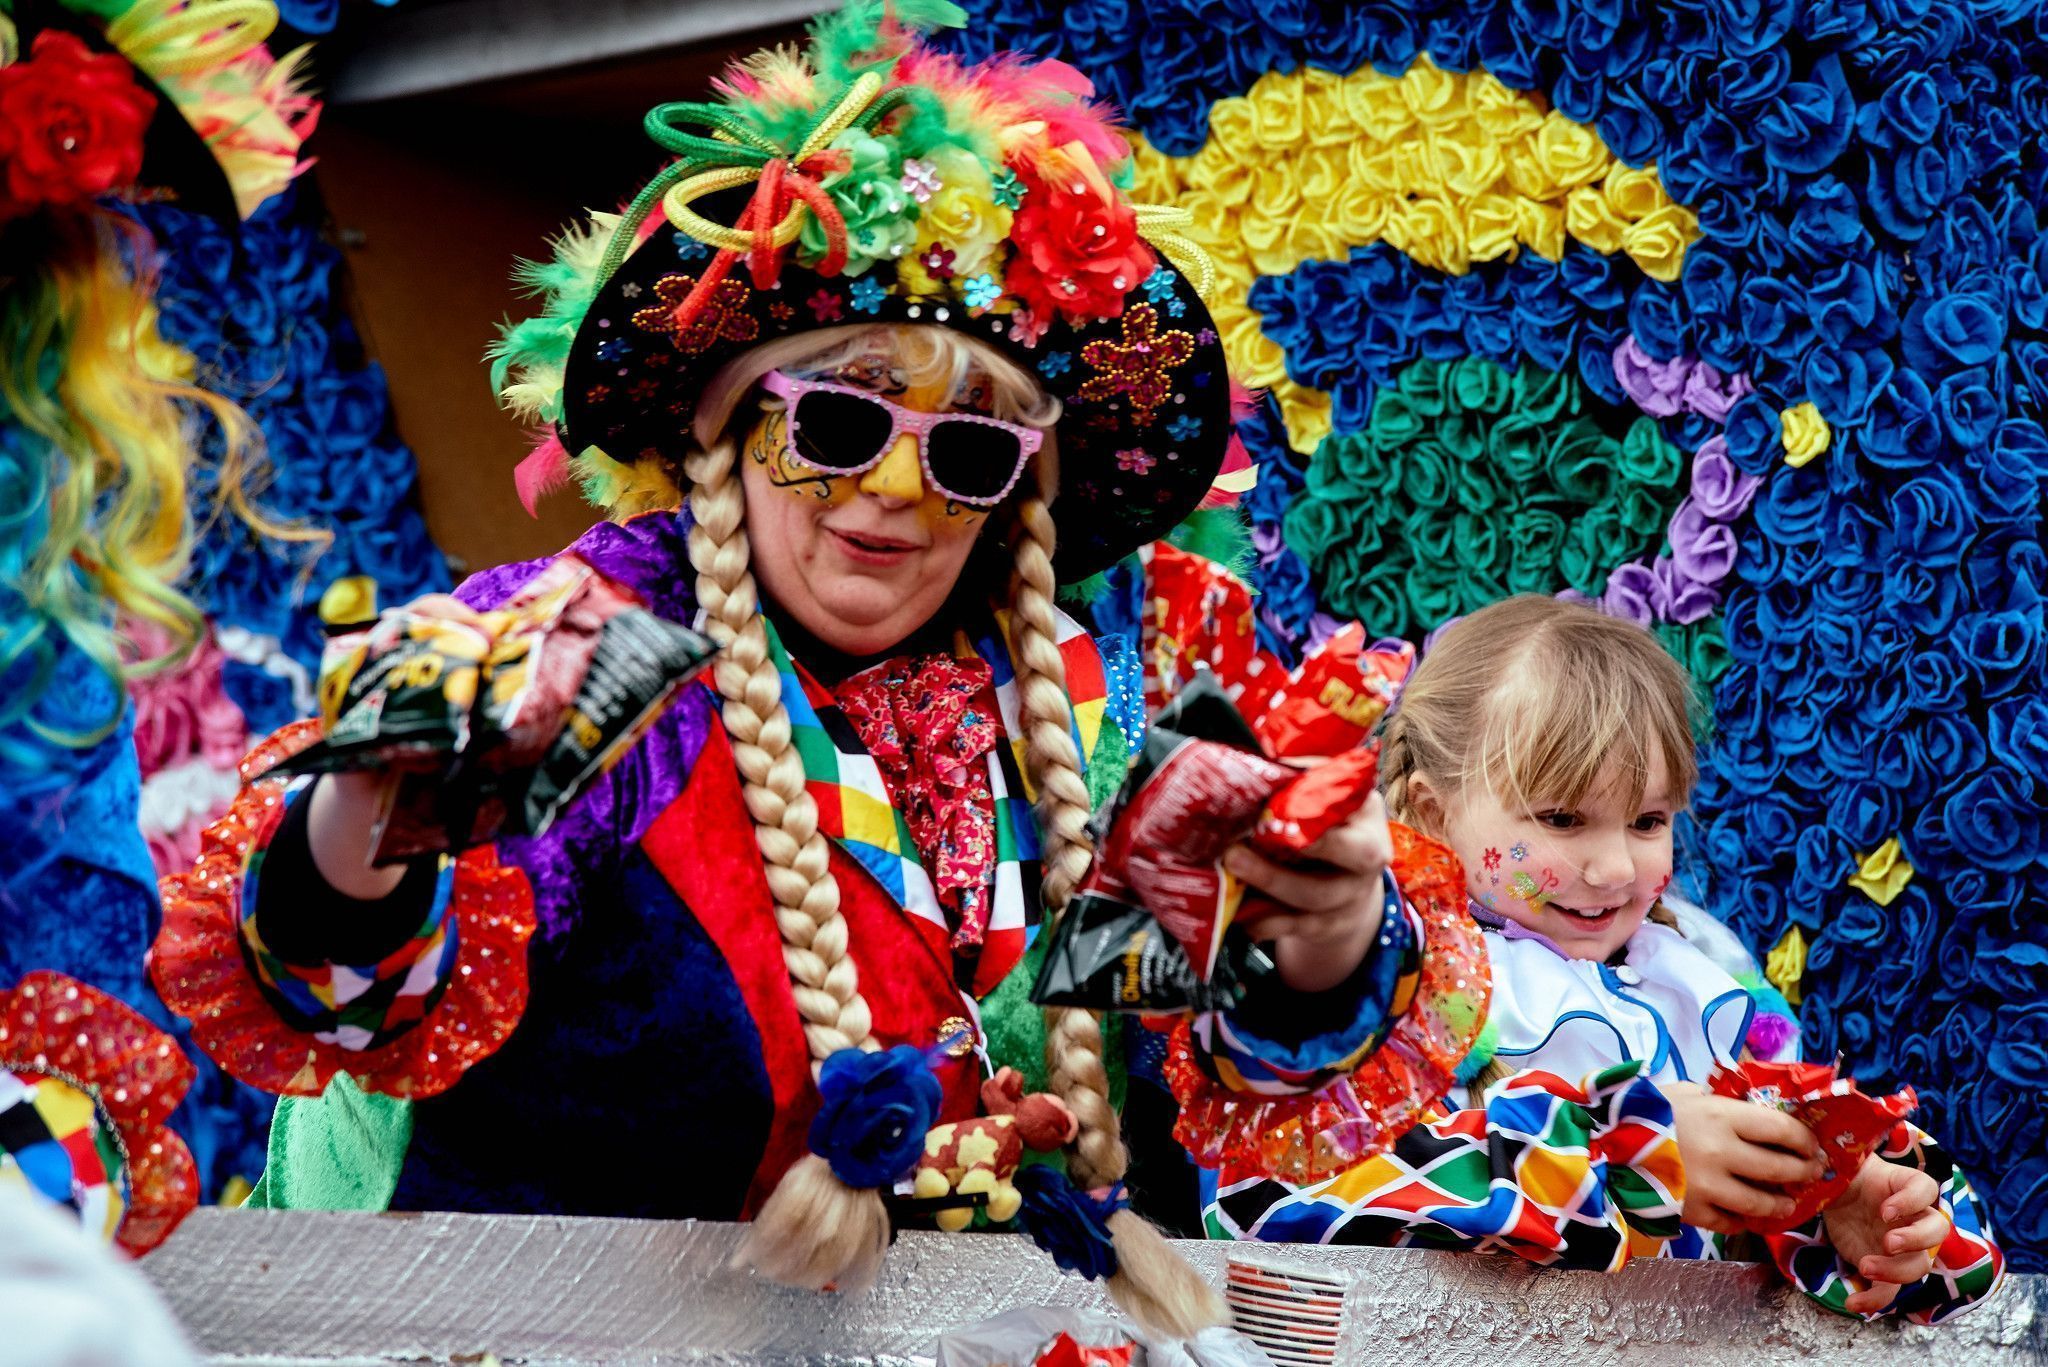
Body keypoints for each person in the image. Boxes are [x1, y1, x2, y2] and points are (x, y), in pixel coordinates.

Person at [150, 2, 1462, 1336]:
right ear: (721, 425)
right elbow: (344, 983)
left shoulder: (1084, 698)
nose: (892, 494)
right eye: (838, 420)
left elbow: (1203, 1041)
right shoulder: (603, 650)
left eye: (964, 454)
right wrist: (372, 815)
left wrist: (1326, 925)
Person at [1205, 595, 2006, 1325]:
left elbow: (1925, 1262)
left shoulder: (1703, 985)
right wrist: (1627, 1151)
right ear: (1430, 810)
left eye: (1648, 820)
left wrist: (1851, 1209)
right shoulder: (1369, 976)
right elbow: (1274, 1203)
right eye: (1561, 816)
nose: (1615, 868)